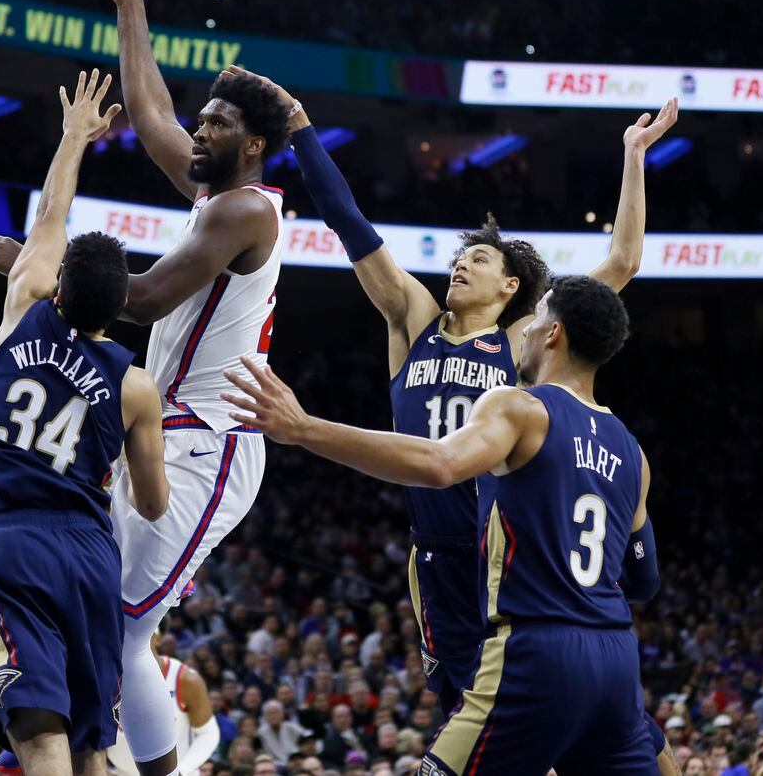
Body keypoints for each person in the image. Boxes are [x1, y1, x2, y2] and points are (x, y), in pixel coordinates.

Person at [227, 66, 680, 773]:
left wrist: (632, 157)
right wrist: (302, 132)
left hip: (510, 550)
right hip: (438, 555)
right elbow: (349, 222)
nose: (460, 266)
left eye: (479, 259)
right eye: (459, 257)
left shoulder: (528, 338)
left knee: (536, 723)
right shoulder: (413, 319)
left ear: (512, 288)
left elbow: (621, 262)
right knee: (485, 728)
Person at [0, 0, 291, 776]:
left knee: (120, 619)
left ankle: (163, 766)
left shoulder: (241, 212)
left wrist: (37, 271)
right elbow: (149, 119)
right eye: (205, 116)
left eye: (216, 122)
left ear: (251, 147)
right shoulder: (219, 187)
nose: (199, 128)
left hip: (208, 440)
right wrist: (130, 4)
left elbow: (137, 299)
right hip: (156, 419)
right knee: (97, 612)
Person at [224, 276, 659, 773]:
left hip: (536, 650)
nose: (526, 331)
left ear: (553, 333)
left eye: (535, 320)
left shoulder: (518, 406)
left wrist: (303, 428)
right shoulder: (633, 454)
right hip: (617, 658)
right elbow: (644, 581)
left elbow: (439, 464)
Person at [0, 69, 168, 776]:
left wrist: (75, 135)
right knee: (93, 746)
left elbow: (51, 213)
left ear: (58, 284)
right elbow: (152, 503)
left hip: (10, 538)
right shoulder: (137, 386)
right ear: (118, 309)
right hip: (87, 552)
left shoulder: (22, 307)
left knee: (40, 735)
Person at [107, 623, 218, 776]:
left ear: (157, 638)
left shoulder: (185, 679)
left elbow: (208, 734)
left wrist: (182, 770)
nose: (129, 642)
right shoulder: (104, 679)